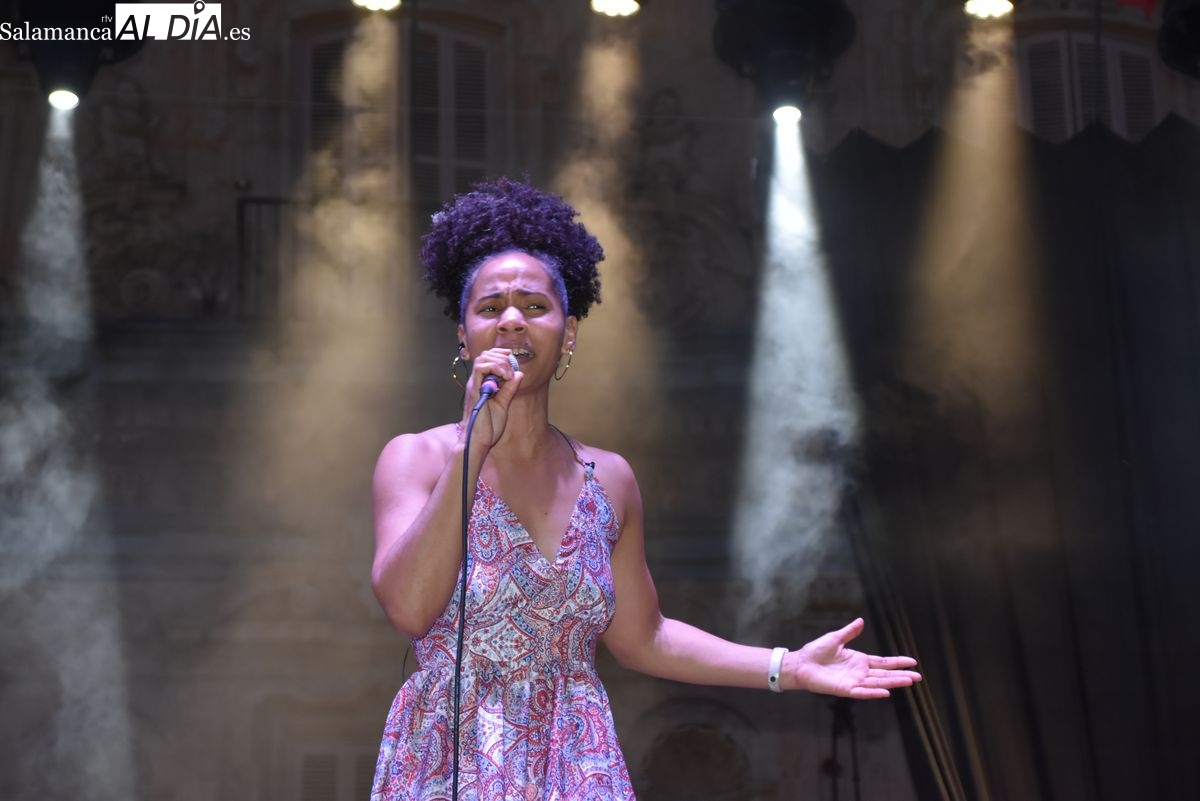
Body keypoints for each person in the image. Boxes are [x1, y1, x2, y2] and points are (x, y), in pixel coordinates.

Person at [368, 178, 921, 801]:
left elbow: (644, 636)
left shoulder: (609, 480)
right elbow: (410, 608)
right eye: (490, 308)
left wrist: (786, 667)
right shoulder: (417, 457)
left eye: (534, 304)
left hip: (574, 757)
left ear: (569, 331)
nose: (513, 320)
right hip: (451, 754)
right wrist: (472, 450)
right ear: (463, 336)